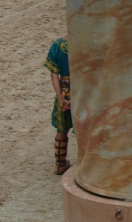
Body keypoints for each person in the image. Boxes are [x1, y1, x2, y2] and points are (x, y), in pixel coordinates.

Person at [44, 35, 72, 175]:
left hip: (64, 90)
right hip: (82, 91)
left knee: (62, 128)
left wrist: (61, 97)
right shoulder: (85, 44)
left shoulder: (57, 44)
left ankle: (60, 164)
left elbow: (54, 75)